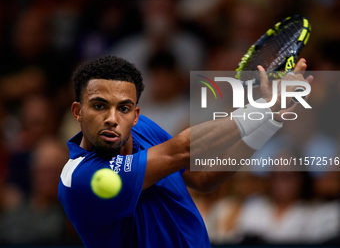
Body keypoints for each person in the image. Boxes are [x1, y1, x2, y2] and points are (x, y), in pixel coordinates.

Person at [58, 55, 313, 247]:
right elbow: (179, 151)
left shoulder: (143, 130)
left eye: (124, 108)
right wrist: (264, 107)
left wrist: (271, 119)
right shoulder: (81, 179)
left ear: (136, 115)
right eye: (99, 106)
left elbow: (203, 177)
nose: (112, 118)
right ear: (78, 112)